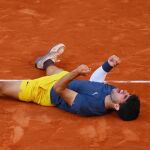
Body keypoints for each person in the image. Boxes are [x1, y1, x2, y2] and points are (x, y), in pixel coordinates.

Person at [0, 43, 140, 121]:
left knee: (2, 87)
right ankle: (45, 61)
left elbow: (58, 88)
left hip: (45, 91)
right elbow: (95, 82)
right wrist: (108, 65)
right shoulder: (112, 92)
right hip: (65, 79)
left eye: (125, 96)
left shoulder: (89, 106)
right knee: (53, 70)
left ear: (116, 106)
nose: (124, 91)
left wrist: (76, 72)